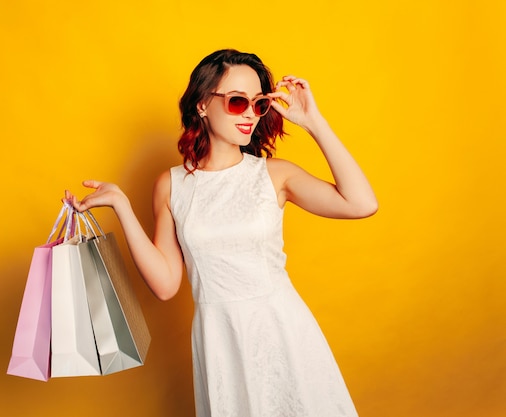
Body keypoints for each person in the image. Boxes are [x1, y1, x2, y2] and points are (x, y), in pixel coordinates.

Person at [66, 49, 377, 417]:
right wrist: (122, 206)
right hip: (219, 340)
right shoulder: (171, 185)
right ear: (201, 104)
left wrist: (314, 123)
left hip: (283, 331)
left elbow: (361, 203)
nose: (249, 113)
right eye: (236, 101)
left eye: (258, 104)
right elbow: (165, 285)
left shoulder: (273, 175)